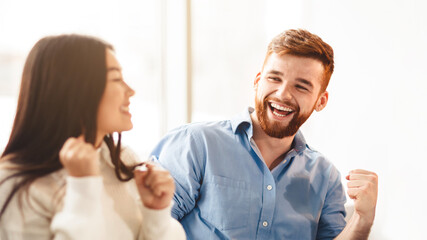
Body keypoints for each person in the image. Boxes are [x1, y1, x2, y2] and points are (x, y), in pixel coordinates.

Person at [151, 29, 378, 239]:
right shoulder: (197, 144)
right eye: (274, 78)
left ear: (321, 101)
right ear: (258, 81)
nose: (282, 94)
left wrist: (363, 218)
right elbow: (150, 225)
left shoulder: (325, 177)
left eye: (301, 86)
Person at [0, 34, 185, 240]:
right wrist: (83, 187)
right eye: (116, 79)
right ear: (74, 90)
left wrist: (156, 212)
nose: (130, 91)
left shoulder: (123, 161)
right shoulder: (14, 185)